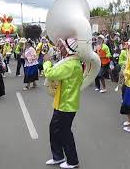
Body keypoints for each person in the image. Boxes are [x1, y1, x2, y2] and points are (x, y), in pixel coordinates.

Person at [44, 38, 82, 169]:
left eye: (62, 46)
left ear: (69, 49)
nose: (60, 48)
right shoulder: (72, 62)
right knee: (55, 130)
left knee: (64, 132)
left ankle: (72, 161)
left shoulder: (70, 64)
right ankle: (58, 156)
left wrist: (47, 62)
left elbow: (50, 73)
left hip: (66, 105)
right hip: (63, 104)